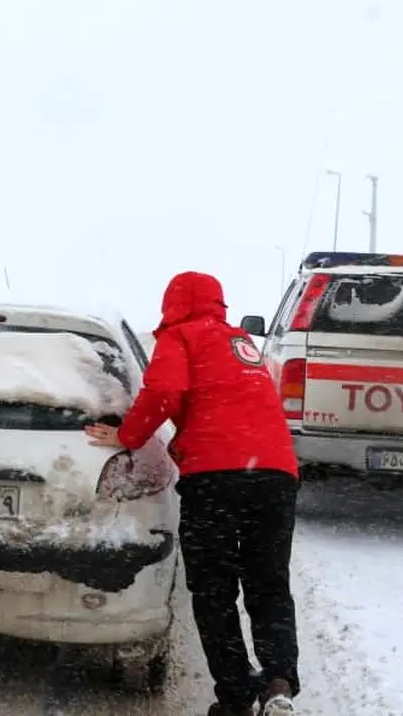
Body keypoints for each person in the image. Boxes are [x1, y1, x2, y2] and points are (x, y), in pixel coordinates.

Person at [85, 271, 300, 716]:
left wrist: (127, 434)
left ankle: (236, 698)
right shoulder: (239, 342)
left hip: (216, 478)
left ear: (173, 303)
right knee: (268, 584)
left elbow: (164, 389)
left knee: (214, 591)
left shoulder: (181, 336)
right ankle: (278, 682)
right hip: (275, 475)